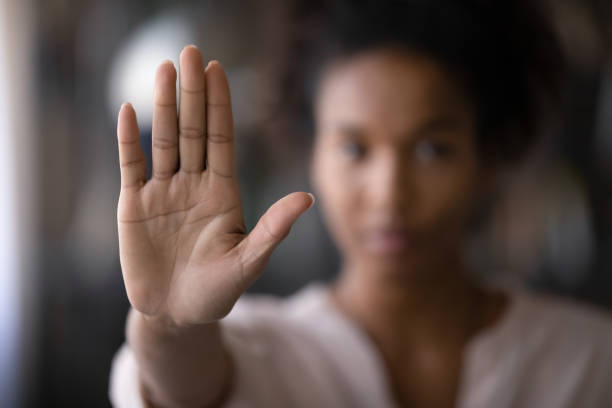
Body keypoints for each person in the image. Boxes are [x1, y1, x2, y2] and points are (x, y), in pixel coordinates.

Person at [109, 1, 612, 407]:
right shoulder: (265, 350)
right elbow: (181, 385)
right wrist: (170, 322)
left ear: (488, 156)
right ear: (312, 154)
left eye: (432, 148)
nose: (389, 193)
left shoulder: (588, 363)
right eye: (355, 149)